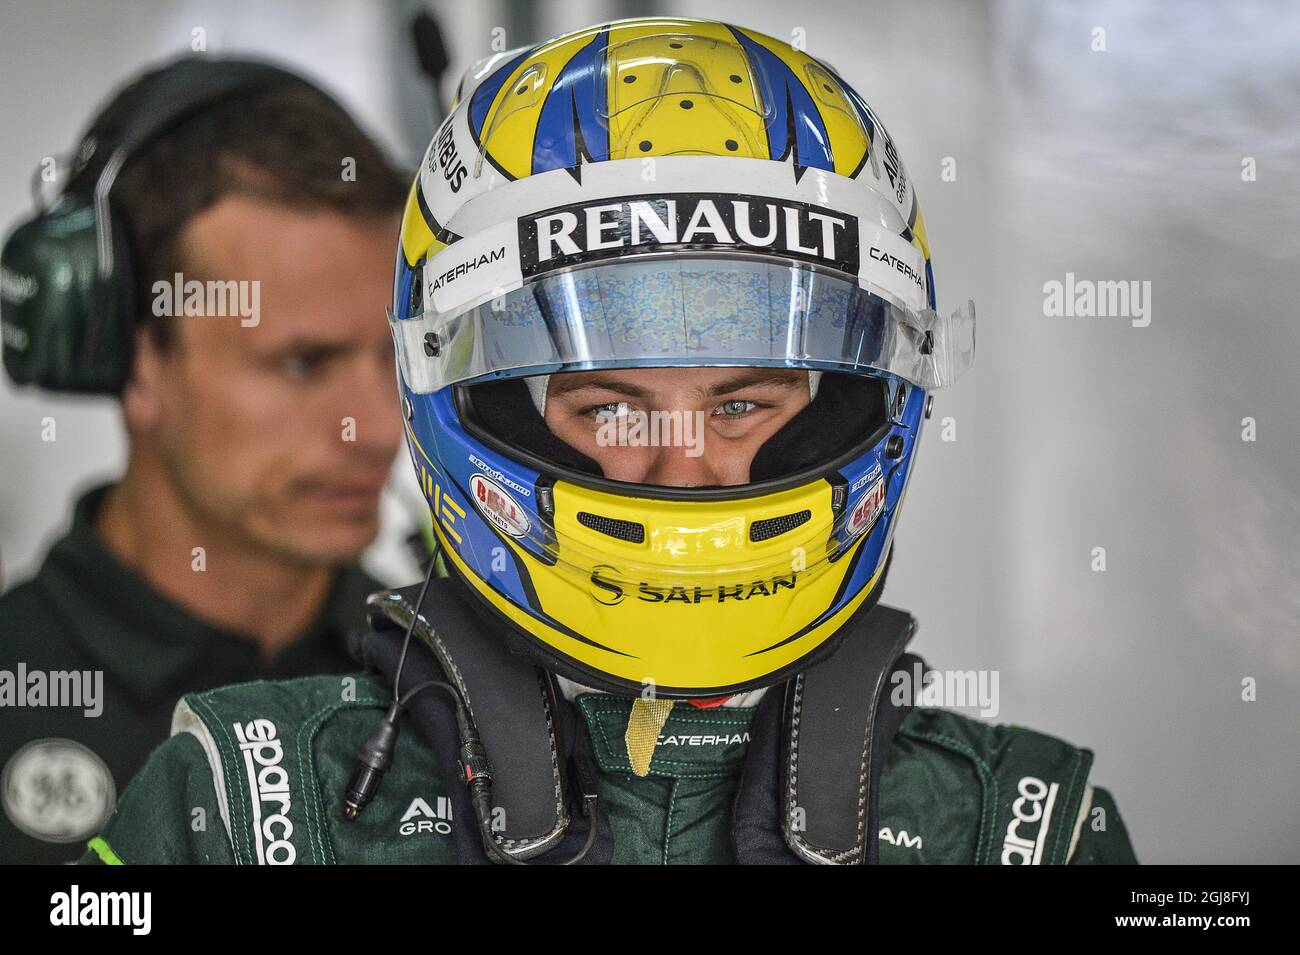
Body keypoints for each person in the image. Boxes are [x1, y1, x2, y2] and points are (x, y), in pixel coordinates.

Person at [77, 17, 1137, 865]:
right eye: (612, 408)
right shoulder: (241, 802)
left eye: (742, 406)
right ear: (470, 401)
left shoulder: (1023, 825)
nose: (682, 465)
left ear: (858, 404)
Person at [0, 57, 407, 862]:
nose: (379, 427)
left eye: (393, 357)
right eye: (302, 363)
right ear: (136, 359)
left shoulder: (444, 687)